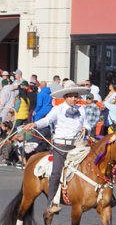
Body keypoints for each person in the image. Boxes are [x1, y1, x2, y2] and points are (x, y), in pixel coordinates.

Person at [23, 84, 92, 214]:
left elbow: (88, 125)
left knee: (94, 162)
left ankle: (104, 197)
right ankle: (51, 203)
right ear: (65, 96)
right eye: (71, 96)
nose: (74, 98)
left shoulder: (82, 110)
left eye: (75, 96)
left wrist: (86, 129)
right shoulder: (58, 109)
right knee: (56, 172)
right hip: (61, 145)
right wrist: (34, 124)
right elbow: (47, 120)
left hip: (77, 145)